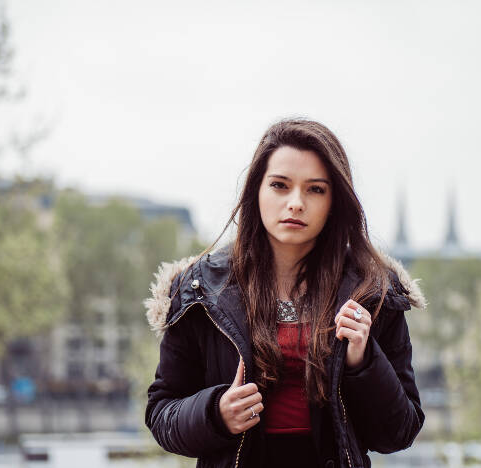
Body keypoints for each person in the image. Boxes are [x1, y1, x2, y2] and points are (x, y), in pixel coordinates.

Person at [144, 118, 427, 468]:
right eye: (280, 185)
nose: (296, 203)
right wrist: (216, 413)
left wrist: (363, 359)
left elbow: (399, 432)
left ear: (335, 201)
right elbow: (161, 414)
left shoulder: (374, 291)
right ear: (256, 192)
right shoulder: (202, 290)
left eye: (315, 189)